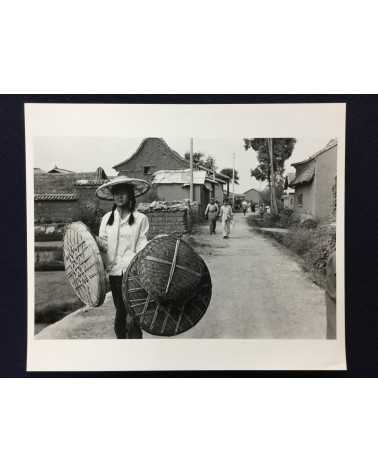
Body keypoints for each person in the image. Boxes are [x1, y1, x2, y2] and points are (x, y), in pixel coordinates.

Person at [96, 175, 150, 339]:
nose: (119, 196)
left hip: (133, 273)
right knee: (121, 310)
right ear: (113, 196)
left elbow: (142, 246)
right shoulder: (107, 219)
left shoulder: (141, 219)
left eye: (123, 193)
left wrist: (136, 268)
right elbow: (103, 246)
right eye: (116, 193)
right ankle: (122, 341)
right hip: (114, 273)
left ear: (130, 195)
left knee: (131, 313)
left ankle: (132, 343)